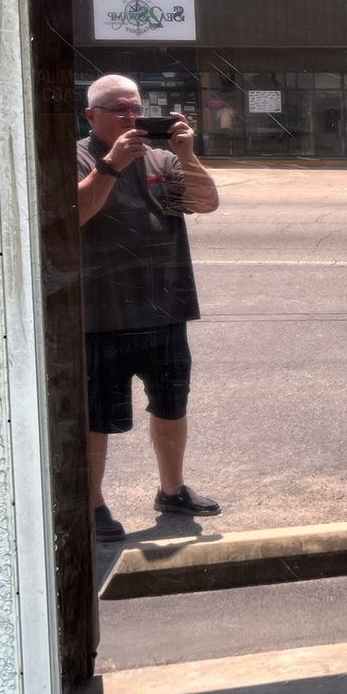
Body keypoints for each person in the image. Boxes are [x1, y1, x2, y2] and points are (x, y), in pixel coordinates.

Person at [78, 74, 222, 541]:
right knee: (97, 414)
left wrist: (187, 155)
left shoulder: (163, 159)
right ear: (91, 115)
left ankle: (172, 489)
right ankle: (92, 502)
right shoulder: (79, 156)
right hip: (101, 315)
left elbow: (205, 203)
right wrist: (112, 164)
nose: (131, 117)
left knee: (171, 403)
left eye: (137, 108)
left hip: (164, 308)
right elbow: (72, 213)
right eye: (119, 109)